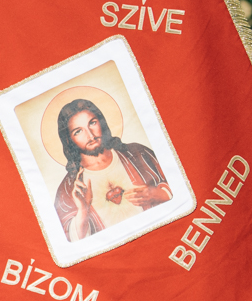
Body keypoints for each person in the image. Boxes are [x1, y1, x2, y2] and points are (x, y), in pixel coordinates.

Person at [53, 99, 172, 241]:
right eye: (78, 131)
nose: (90, 135)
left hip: (161, 236)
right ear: (68, 140)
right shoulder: (68, 189)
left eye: (92, 123)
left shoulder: (138, 153)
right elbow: (70, 242)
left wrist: (157, 194)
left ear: (101, 122)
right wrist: (83, 211)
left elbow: (180, 183)